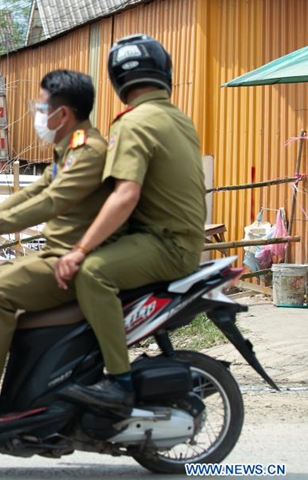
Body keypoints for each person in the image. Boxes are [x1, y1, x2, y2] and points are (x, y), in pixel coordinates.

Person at [0, 70, 116, 429]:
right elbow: (31, 194)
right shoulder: (71, 147)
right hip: (57, 254)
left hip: (73, 261)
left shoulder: (89, 151)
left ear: (62, 114)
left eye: (41, 106)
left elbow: (50, 203)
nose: (37, 113)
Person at [54, 34, 206, 410]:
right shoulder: (177, 118)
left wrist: (79, 249)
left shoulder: (132, 124)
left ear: (117, 80)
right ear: (164, 71)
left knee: (92, 272)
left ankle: (118, 382)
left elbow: (125, 195)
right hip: (179, 240)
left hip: (164, 245)